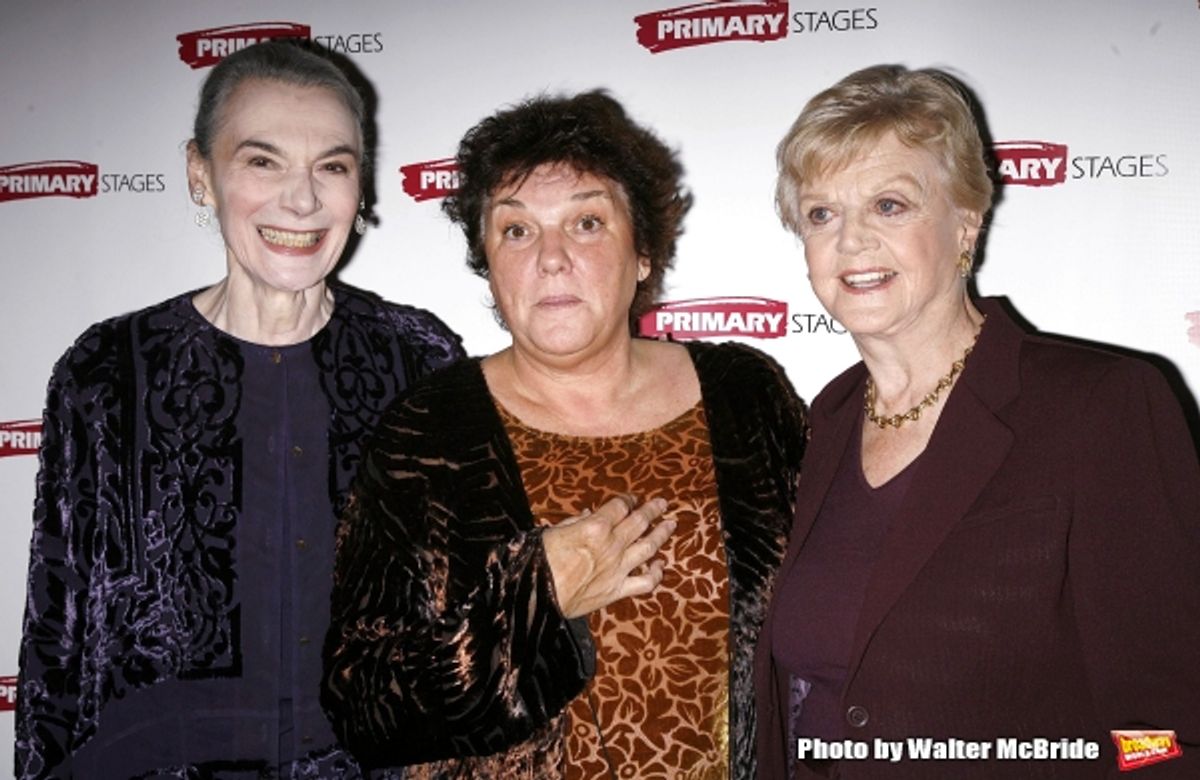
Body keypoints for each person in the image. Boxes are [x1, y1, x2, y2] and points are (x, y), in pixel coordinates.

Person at [321, 90, 807, 779]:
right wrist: (538, 603)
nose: (550, 258)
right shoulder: (428, 431)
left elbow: (829, 627)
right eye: (516, 230)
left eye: (586, 223)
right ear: (488, 265)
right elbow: (361, 705)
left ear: (643, 253)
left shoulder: (746, 397)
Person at [15, 40, 463, 779]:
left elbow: (459, 621)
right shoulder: (106, 372)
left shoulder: (419, 359)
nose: (303, 199)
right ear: (201, 173)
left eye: (334, 166)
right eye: (263, 161)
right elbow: (55, 641)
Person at [755, 64, 1200, 778]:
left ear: (966, 223)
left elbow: (1173, 734)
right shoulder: (818, 428)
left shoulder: (1101, 408)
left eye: (890, 206)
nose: (852, 241)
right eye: (821, 214)